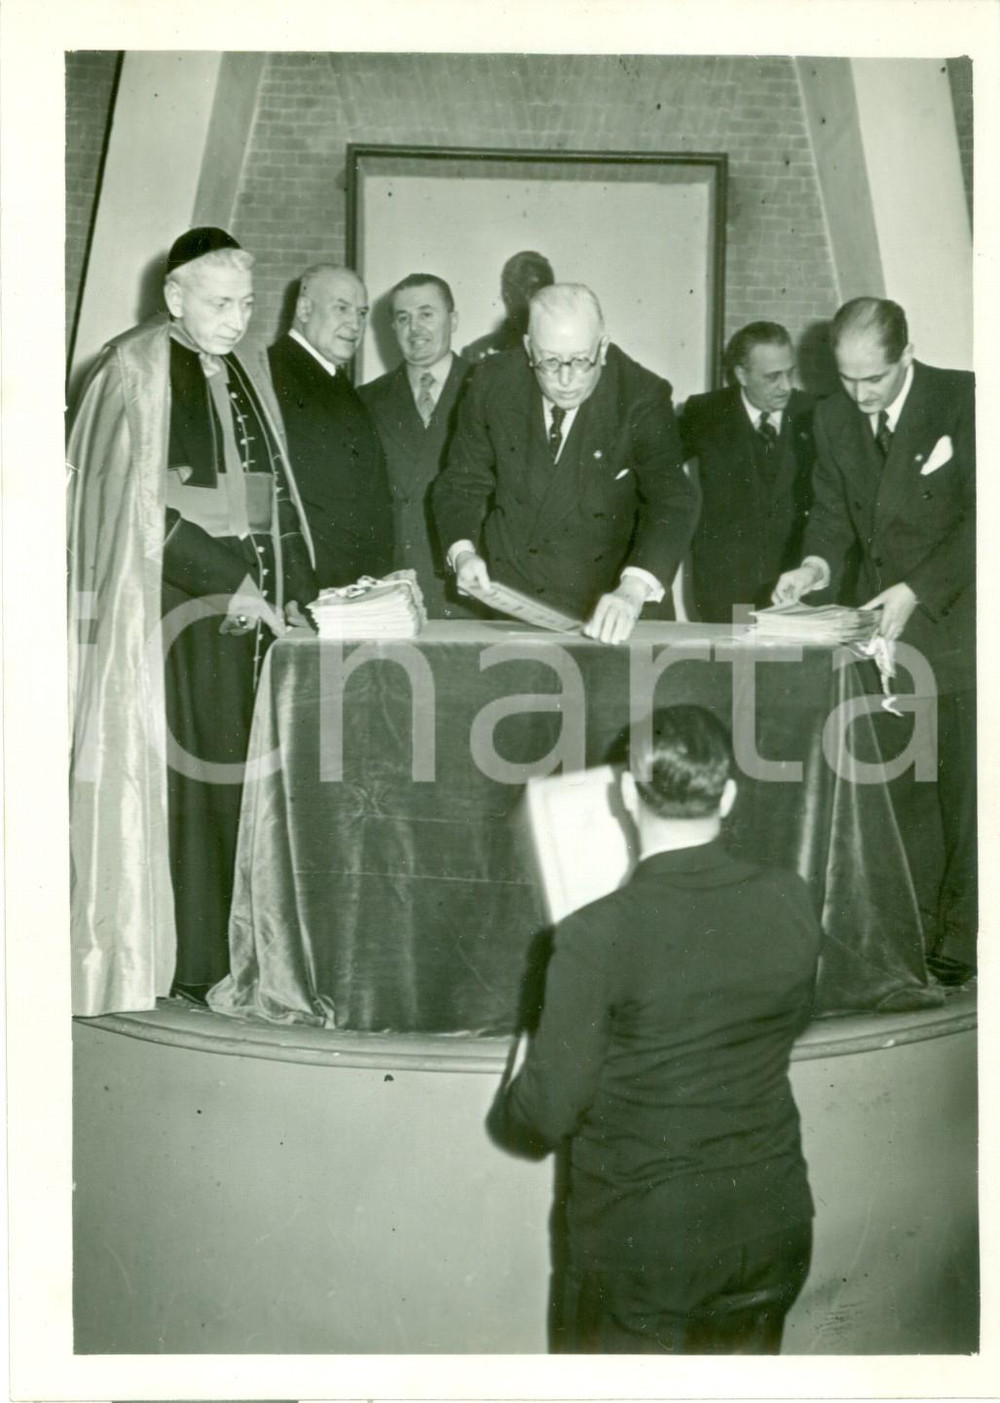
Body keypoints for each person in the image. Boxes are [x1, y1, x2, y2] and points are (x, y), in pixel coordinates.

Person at [499, 705, 820, 1353]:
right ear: (727, 795)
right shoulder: (791, 896)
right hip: (771, 1223)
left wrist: (537, 1025)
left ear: (623, 792)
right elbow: (794, 1015)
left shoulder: (593, 935)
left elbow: (538, 1118)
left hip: (644, 1245)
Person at [68, 227, 317, 1012]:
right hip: (175, 614)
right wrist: (229, 581)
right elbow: (131, 509)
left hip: (247, 607)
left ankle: (243, 954)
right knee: (194, 786)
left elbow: (269, 491)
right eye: (221, 302)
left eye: (246, 302)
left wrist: (286, 586)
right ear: (174, 296)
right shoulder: (132, 369)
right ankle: (197, 960)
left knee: (243, 786)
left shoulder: (241, 367)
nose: (238, 318)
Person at [773, 296, 976, 985]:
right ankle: (918, 934)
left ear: (907, 357)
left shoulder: (965, 400)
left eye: (875, 380)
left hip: (962, 622)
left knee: (969, 796)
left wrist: (918, 587)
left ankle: (966, 940)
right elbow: (831, 513)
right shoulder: (831, 417)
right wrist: (814, 567)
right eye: (847, 378)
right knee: (909, 791)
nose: (859, 395)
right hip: (887, 639)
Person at [433, 283, 698, 644]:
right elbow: (461, 482)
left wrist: (633, 589)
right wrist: (463, 553)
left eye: (581, 361)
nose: (566, 379)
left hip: (609, 607)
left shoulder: (641, 396)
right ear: (528, 348)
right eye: (550, 361)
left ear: (603, 348)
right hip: (516, 603)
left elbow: (672, 502)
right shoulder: (492, 382)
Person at [268, 264, 393, 589]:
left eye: (362, 313)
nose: (355, 324)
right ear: (304, 309)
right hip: (311, 588)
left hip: (349, 589)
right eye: (342, 308)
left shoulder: (334, 379)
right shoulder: (272, 375)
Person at [359, 273, 477, 617]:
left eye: (427, 314)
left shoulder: (489, 388)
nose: (415, 328)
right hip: (397, 591)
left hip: (470, 589)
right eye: (403, 318)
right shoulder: (366, 400)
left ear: (453, 320)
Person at [681, 322, 814, 621]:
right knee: (735, 668)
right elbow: (657, 469)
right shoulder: (705, 413)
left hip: (795, 589)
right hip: (726, 589)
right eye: (772, 377)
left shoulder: (815, 413)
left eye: (789, 373)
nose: (785, 386)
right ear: (741, 374)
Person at [461, 249, 554, 363]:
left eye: (547, 289)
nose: (542, 298)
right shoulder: (477, 356)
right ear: (508, 296)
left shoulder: (571, 349)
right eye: (532, 289)